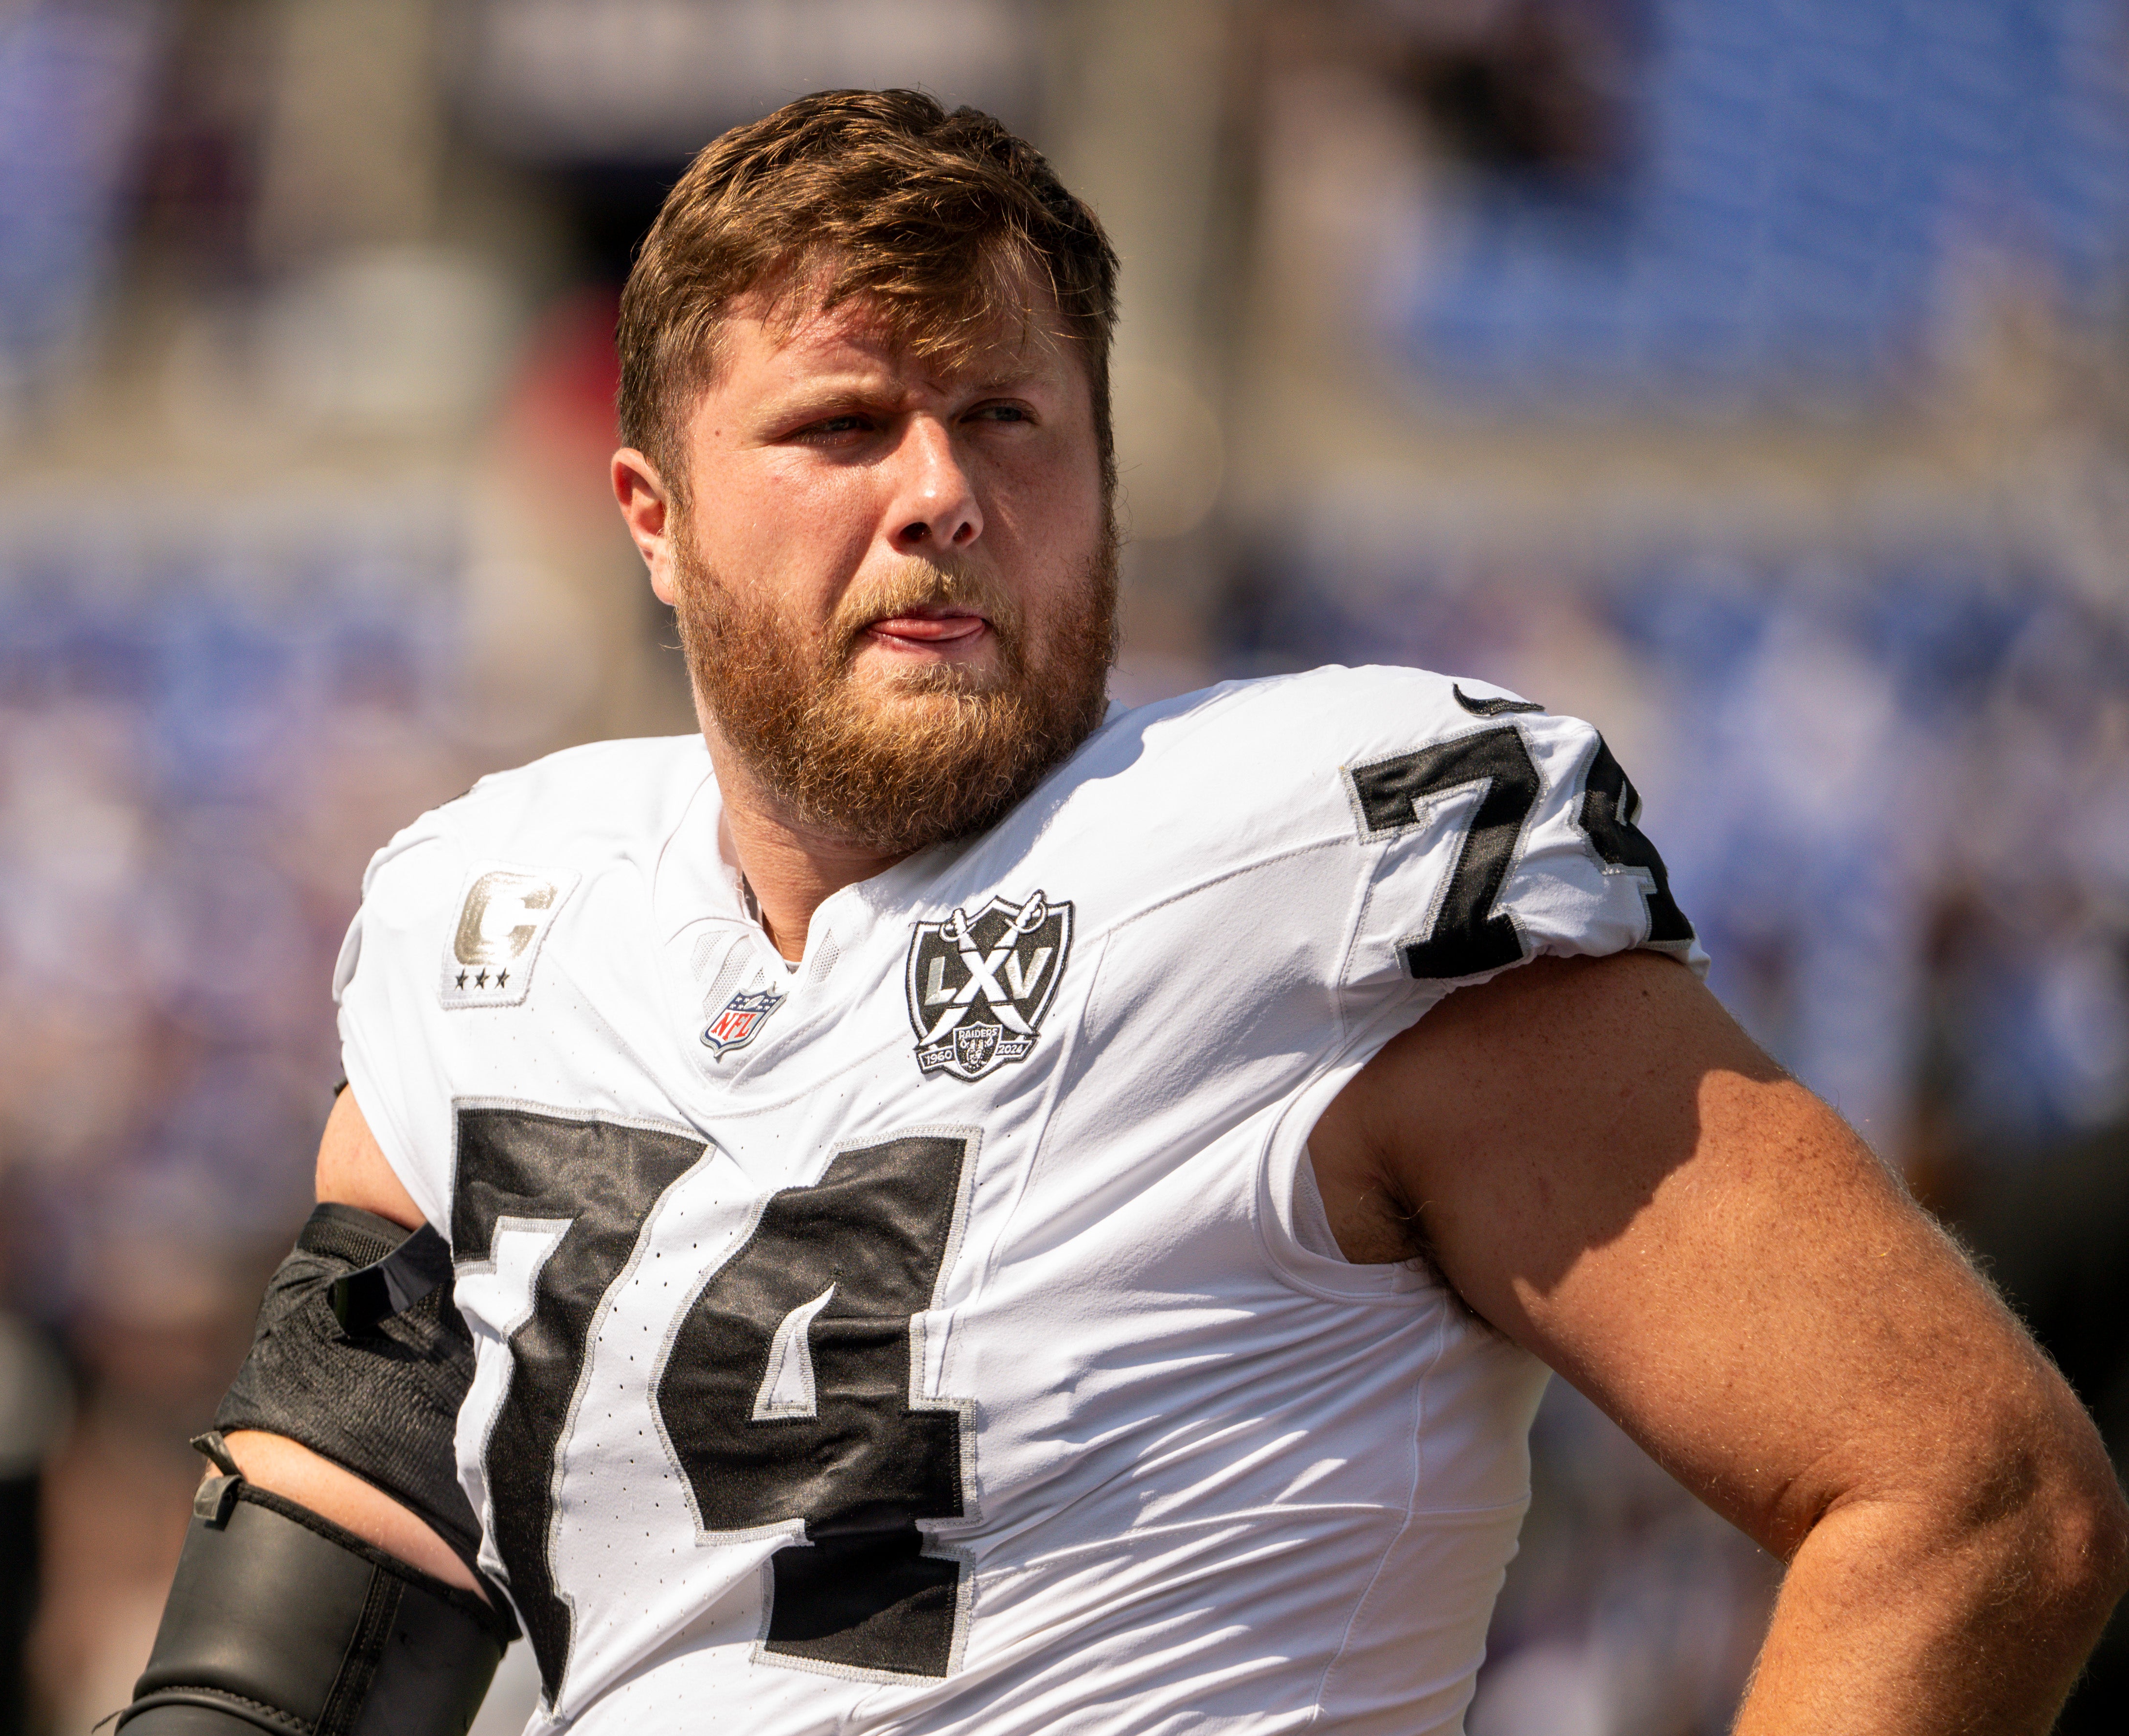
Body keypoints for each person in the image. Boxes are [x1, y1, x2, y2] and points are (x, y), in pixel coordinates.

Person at [115, 91, 2127, 1736]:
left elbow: (1968, 1494)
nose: (937, 492)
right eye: (838, 425)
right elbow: (297, 1639)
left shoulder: (1325, 865)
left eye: (1004, 417)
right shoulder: (496, 913)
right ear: (650, 515)